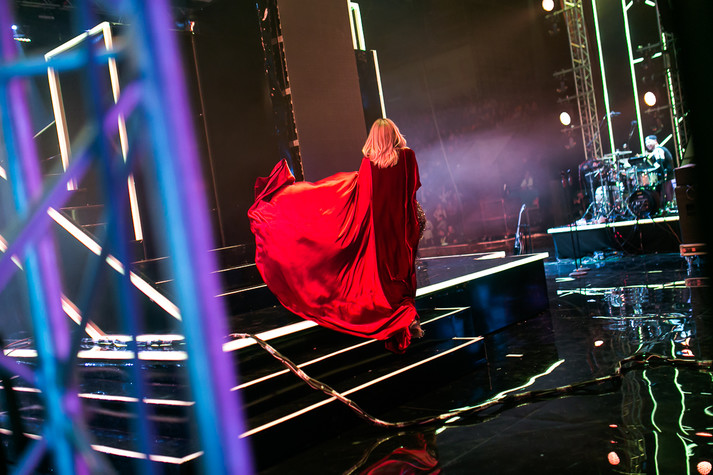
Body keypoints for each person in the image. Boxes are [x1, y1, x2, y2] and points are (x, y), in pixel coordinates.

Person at [248, 118, 424, 353]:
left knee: (378, 274)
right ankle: (405, 315)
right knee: (398, 273)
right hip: (398, 229)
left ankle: (399, 315)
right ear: (394, 135)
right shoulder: (408, 156)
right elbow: (411, 191)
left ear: (374, 139)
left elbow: (365, 199)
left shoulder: (369, 163)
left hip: (377, 232)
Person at [644, 134, 675, 205]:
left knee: (665, 194)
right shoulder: (657, 150)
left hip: (666, 176)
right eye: (646, 143)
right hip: (666, 176)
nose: (647, 145)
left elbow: (660, 162)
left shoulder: (658, 150)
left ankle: (667, 206)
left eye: (649, 142)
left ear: (655, 141)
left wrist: (649, 169)